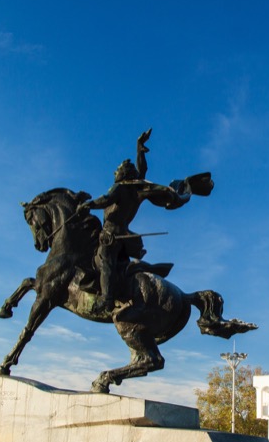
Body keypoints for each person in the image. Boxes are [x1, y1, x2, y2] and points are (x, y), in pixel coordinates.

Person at [78, 129, 191, 318]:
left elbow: (105, 199)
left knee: (106, 261)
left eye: (118, 169)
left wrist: (87, 205)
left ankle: (106, 300)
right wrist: (139, 149)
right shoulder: (136, 189)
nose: (115, 172)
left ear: (123, 174)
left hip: (111, 237)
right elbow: (142, 172)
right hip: (124, 236)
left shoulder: (121, 188)